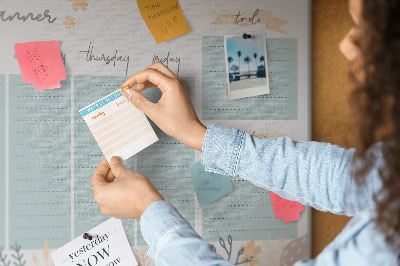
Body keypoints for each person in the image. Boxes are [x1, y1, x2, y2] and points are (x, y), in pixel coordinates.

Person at [90, 0, 400, 264]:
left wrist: (149, 211)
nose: (346, 46)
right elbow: (345, 178)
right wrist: (197, 134)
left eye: (364, 30)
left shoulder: (385, 247)